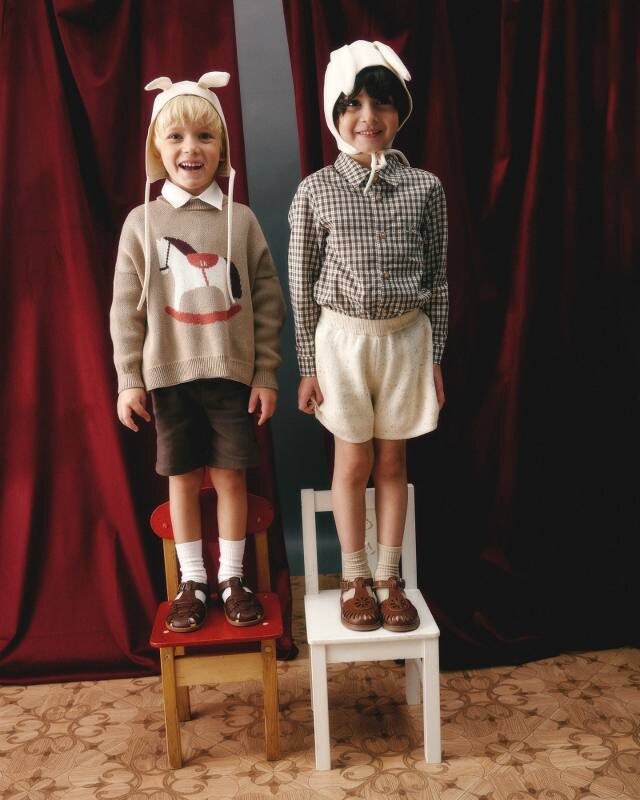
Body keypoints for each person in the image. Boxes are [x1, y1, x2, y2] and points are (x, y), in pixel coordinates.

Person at [110, 72, 285, 632]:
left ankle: (233, 578)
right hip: (169, 378)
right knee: (182, 479)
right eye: (177, 137)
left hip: (232, 377)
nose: (191, 149)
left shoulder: (242, 220)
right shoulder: (142, 223)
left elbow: (266, 299)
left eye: (205, 137)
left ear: (223, 149)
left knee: (232, 478)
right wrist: (129, 379)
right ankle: (192, 582)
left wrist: (266, 373)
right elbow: (125, 308)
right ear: (157, 150)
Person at [288, 41, 448, 632]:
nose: (368, 117)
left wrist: (436, 356)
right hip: (342, 345)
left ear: (400, 111)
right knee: (352, 458)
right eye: (353, 104)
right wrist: (307, 364)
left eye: (381, 103)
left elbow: (438, 278)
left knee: (393, 459)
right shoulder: (316, 191)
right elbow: (302, 285)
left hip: (406, 341)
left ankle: (388, 576)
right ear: (334, 112)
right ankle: (354, 576)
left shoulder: (426, 188)